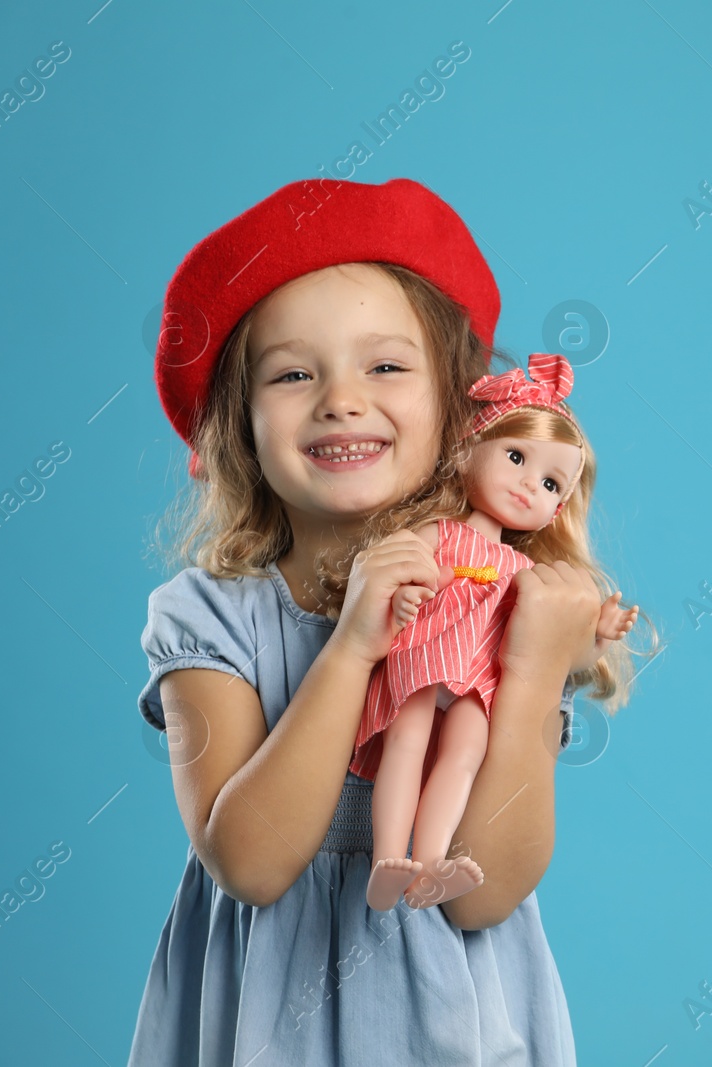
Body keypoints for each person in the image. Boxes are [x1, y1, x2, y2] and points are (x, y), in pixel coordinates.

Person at [131, 176, 599, 1064]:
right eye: (294, 373)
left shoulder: (506, 610)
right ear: (239, 425)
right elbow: (253, 864)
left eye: (385, 365)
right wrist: (353, 643)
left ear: (464, 413)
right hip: (269, 1027)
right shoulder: (208, 618)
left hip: (454, 1023)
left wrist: (533, 672)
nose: (341, 399)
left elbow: (484, 894)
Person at [341, 352, 647, 912]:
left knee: (464, 754)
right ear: (465, 450)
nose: (531, 486)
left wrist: (597, 634)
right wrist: (404, 596)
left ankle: (429, 863)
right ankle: (389, 858)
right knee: (404, 745)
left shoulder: (527, 574)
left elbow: (562, 653)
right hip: (425, 654)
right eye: (515, 457)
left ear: (558, 510)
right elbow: (398, 576)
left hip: (479, 676)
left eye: (552, 483)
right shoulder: (440, 534)